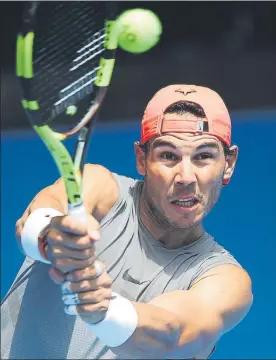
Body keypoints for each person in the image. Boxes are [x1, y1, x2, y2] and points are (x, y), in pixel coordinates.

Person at [1, 84, 253, 359]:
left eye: (203, 157)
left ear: (228, 164)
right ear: (142, 159)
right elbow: (35, 219)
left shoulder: (226, 280)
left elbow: (172, 336)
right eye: (168, 156)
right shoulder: (100, 188)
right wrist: (52, 237)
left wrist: (104, 309)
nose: (185, 177)